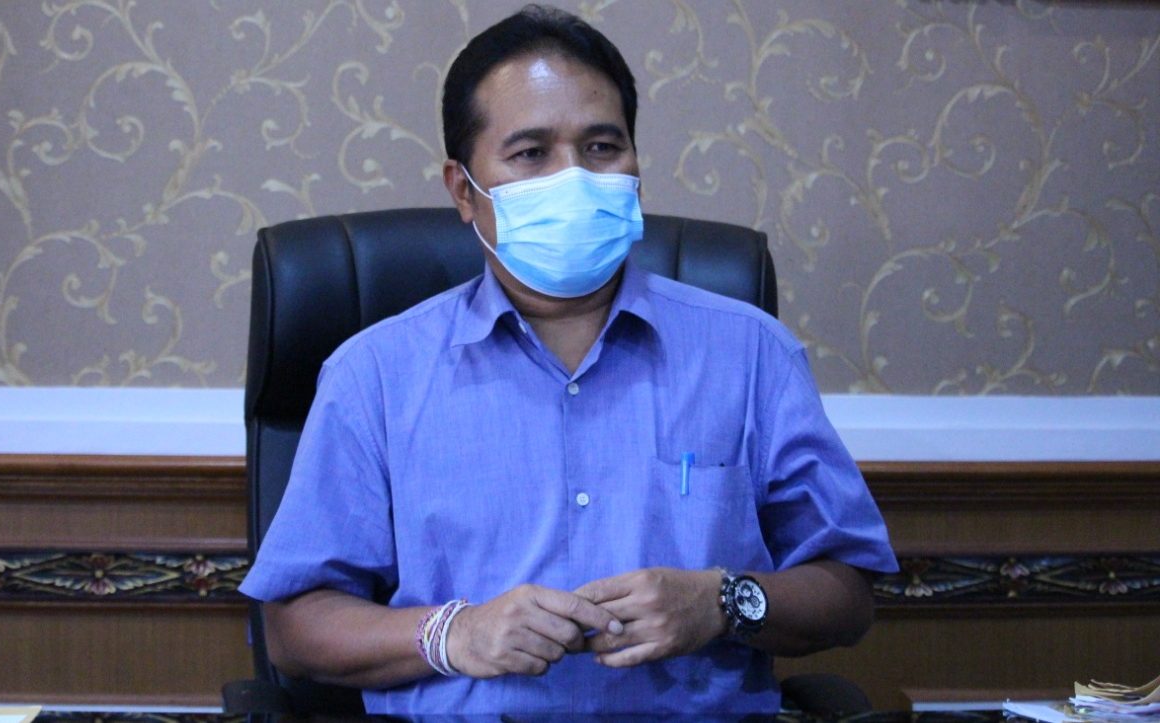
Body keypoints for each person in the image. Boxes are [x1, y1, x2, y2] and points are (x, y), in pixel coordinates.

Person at [239, 4, 898, 716]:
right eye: (531, 154)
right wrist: (453, 633)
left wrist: (724, 600)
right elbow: (294, 630)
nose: (574, 177)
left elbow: (848, 592)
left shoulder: (750, 353)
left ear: (636, 166)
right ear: (464, 191)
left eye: (601, 147)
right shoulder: (374, 374)